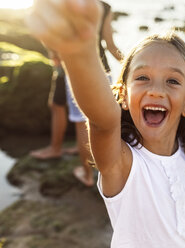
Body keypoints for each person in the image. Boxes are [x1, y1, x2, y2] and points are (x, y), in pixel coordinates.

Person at [26, 0, 185, 247]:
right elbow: (103, 121)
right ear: (123, 97)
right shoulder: (123, 162)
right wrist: (78, 51)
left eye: (173, 81)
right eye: (143, 77)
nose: (156, 90)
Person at [30, 0, 123, 187]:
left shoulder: (66, 5)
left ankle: (87, 175)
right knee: (100, 123)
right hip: (103, 70)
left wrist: (54, 54)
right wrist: (131, 67)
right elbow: (111, 45)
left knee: (83, 122)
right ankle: (99, 167)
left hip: (75, 69)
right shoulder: (105, 7)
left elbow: (51, 32)